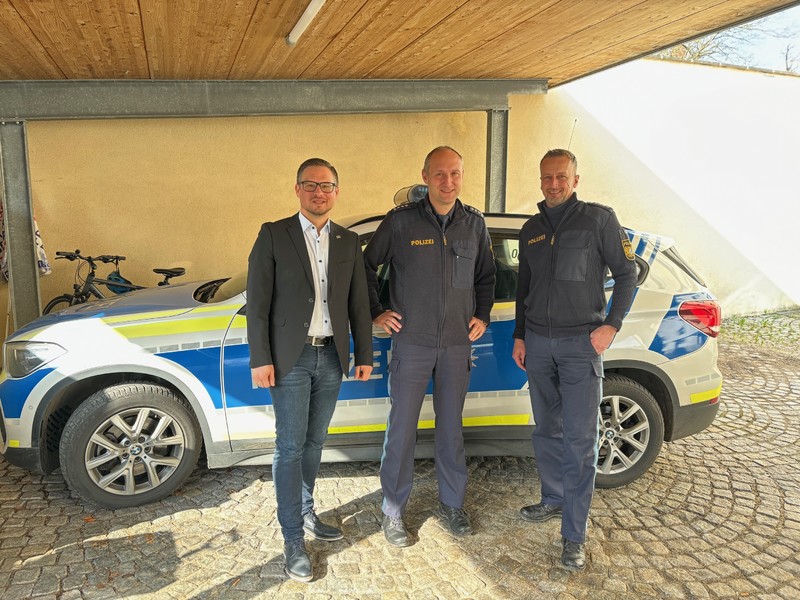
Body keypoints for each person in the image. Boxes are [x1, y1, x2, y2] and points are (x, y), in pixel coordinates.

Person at [247, 158, 374, 582]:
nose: (319, 192)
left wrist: (365, 355)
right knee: (289, 447)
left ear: (337, 191)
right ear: (297, 189)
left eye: (327, 185)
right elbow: (258, 303)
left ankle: (306, 512)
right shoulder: (273, 234)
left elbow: (358, 304)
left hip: (333, 358)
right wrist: (260, 358)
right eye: (311, 185)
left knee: (316, 441)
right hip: (290, 359)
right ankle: (291, 540)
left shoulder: (347, 240)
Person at [364, 146, 496, 547]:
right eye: (440, 174)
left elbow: (486, 277)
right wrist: (377, 312)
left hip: (457, 344)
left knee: (451, 429)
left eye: (455, 173)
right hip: (412, 344)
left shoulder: (474, 224)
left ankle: (452, 504)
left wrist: (483, 314)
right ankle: (392, 510)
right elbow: (365, 267)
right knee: (401, 429)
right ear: (425, 176)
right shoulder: (401, 223)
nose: (448, 181)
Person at [512, 148, 637, 571]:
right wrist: (519, 335)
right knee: (547, 429)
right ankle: (552, 498)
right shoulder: (530, 229)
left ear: (575, 179)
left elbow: (627, 273)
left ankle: (573, 535)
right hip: (539, 346)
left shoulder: (598, 220)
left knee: (581, 443)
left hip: (580, 344)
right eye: (546, 177)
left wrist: (611, 325)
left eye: (561, 177)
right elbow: (523, 288)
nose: (553, 184)